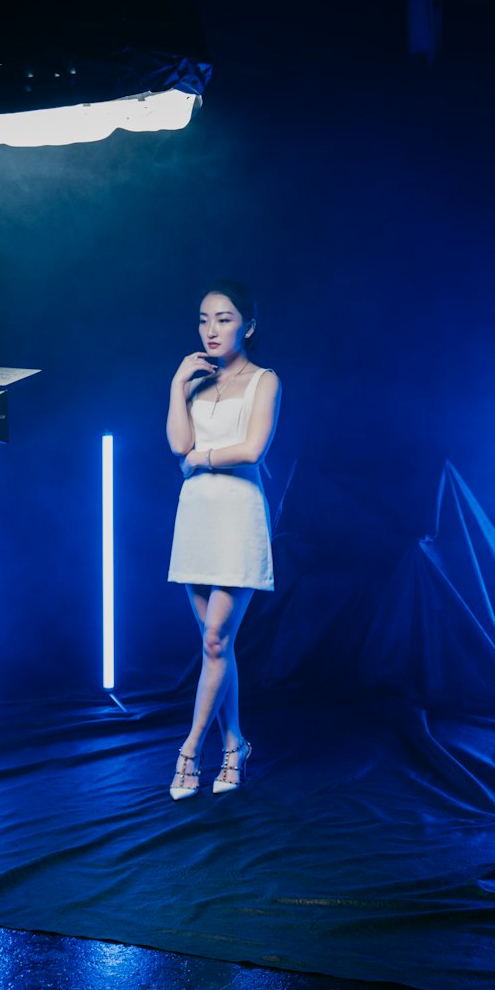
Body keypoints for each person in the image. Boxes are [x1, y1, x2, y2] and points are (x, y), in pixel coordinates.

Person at [164, 280, 281, 801]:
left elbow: (253, 449)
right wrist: (175, 384)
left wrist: (201, 461)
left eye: (225, 319)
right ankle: (235, 743)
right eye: (205, 319)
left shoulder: (265, 381)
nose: (211, 330)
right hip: (195, 518)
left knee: (215, 641)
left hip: (237, 517)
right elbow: (177, 444)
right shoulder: (194, 380)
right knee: (218, 645)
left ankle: (189, 752)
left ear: (248, 326)